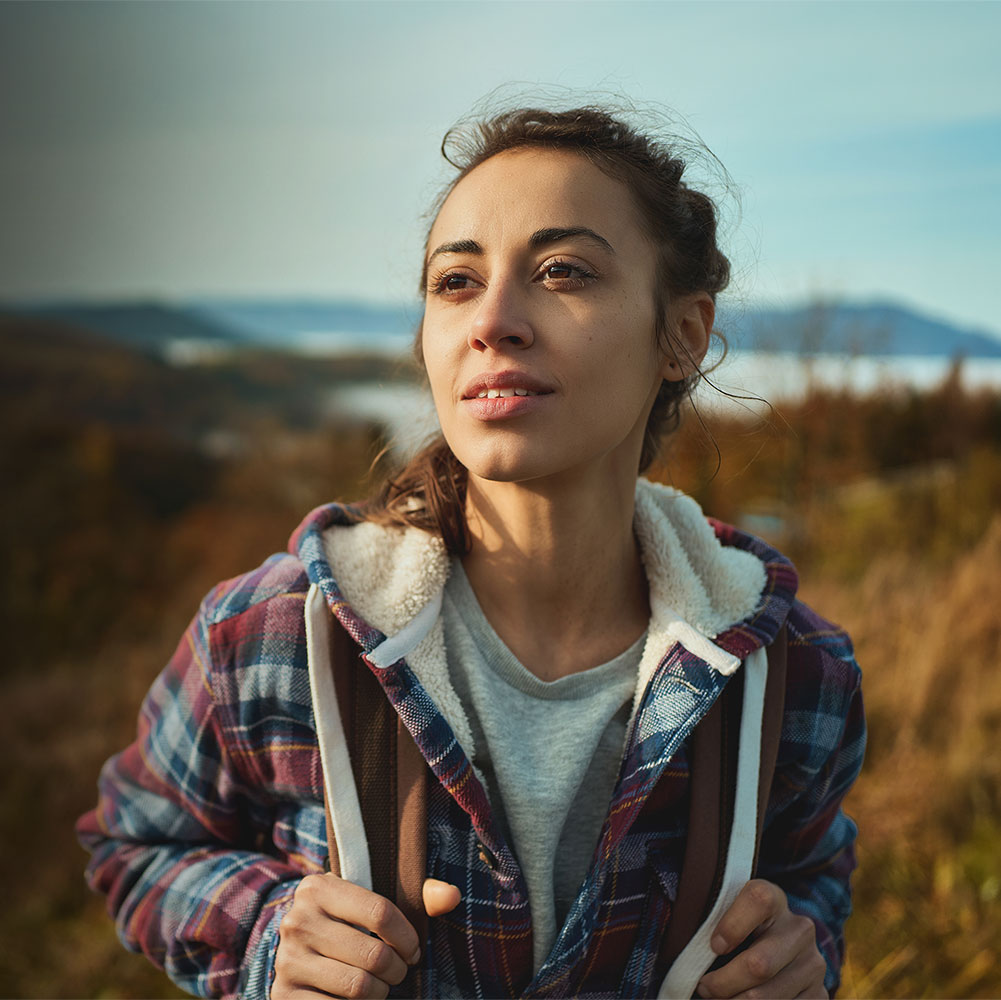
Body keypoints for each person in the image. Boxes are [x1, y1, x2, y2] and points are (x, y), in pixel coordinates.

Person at [77, 104, 865, 1000]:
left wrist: (799, 956)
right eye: (455, 282)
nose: (493, 320)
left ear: (682, 333)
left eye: (562, 270)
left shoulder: (793, 672)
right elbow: (133, 842)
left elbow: (812, 883)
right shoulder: (272, 635)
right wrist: (265, 935)